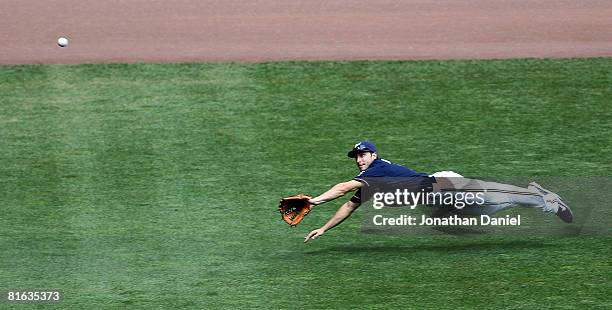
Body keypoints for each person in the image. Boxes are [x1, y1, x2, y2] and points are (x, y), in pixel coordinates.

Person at [304, 141, 573, 243]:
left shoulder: (375, 170)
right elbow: (350, 205)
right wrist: (325, 229)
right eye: (356, 156)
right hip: (438, 194)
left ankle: (546, 201)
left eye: (362, 154)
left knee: (493, 199)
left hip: (442, 186)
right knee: (490, 208)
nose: (359, 159)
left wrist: (314, 201)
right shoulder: (372, 180)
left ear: (373, 155)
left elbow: (342, 188)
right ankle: (534, 194)